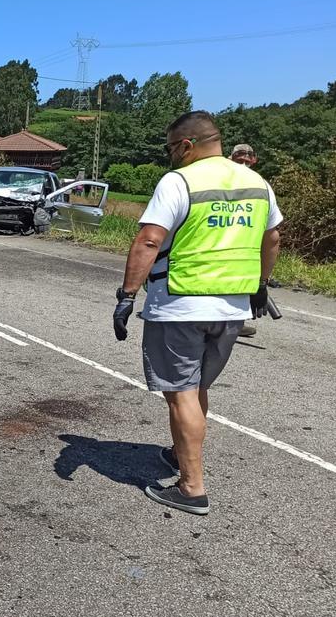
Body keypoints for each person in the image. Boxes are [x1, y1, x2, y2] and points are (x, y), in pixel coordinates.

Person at [112, 111, 282, 516]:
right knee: (196, 387)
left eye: (172, 148)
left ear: (186, 145)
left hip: (181, 303)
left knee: (181, 392)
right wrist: (260, 285)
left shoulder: (180, 180)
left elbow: (150, 240)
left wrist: (127, 294)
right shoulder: (256, 182)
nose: (171, 156)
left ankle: (191, 487)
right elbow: (272, 237)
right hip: (233, 306)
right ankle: (178, 453)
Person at [229, 143, 261, 338]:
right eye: (239, 157)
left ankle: (236, 321)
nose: (244, 161)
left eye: (248, 158)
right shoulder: (222, 176)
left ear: (254, 160)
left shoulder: (258, 182)